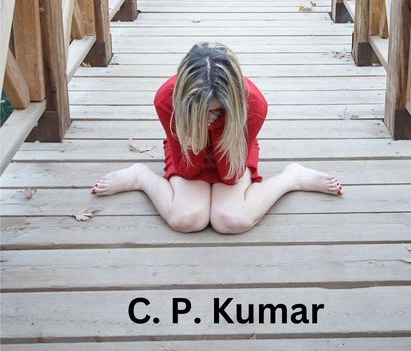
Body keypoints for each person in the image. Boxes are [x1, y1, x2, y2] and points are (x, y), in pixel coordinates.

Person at [91, 42, 343, 233]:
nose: (211, 116)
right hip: (189, 148)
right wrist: (197, 126)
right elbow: (188, 171)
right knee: (186, 220)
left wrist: (220, 125)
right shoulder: (166, 99)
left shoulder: (254, 104)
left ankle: (292, 177)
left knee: (232, 221)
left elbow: (230, 174)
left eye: (218, 110)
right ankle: (140, 176)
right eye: (202, 109)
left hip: (232, 147)